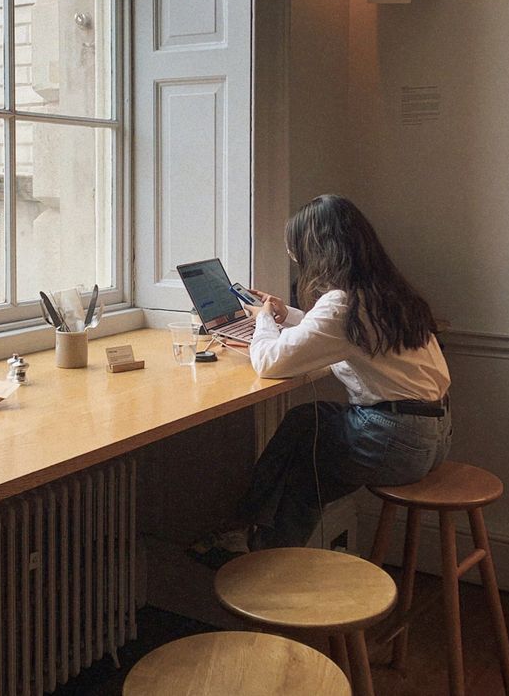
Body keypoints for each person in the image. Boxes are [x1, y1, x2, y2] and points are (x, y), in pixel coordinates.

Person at [189, 194, 451, 565]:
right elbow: (335, 333)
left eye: (297, 252)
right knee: (304, 447)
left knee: (304, 448)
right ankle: (257, 545)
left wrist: (263, 319)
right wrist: (284, 315)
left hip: (396, 442)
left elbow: (268, 362)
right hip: (433, 437)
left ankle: (247, 537)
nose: (296, 260)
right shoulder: (385, 292)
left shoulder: (342, 304)